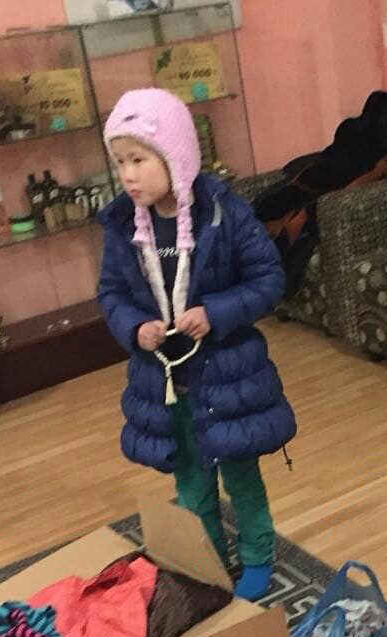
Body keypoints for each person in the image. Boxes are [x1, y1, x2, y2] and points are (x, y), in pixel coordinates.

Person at [98, 88, 296, 601]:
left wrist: (215, 313)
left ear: (175, 156)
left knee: (241, 477)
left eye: (139, 160)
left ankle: (257, 557)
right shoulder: (121, 224)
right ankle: (209, 562)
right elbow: (111, 293)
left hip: (227, 377)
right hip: (166, 383)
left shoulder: (224, 213)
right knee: (190, 484)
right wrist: (134, 327)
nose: (128, 175)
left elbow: (268, 279)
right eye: (120, 162)